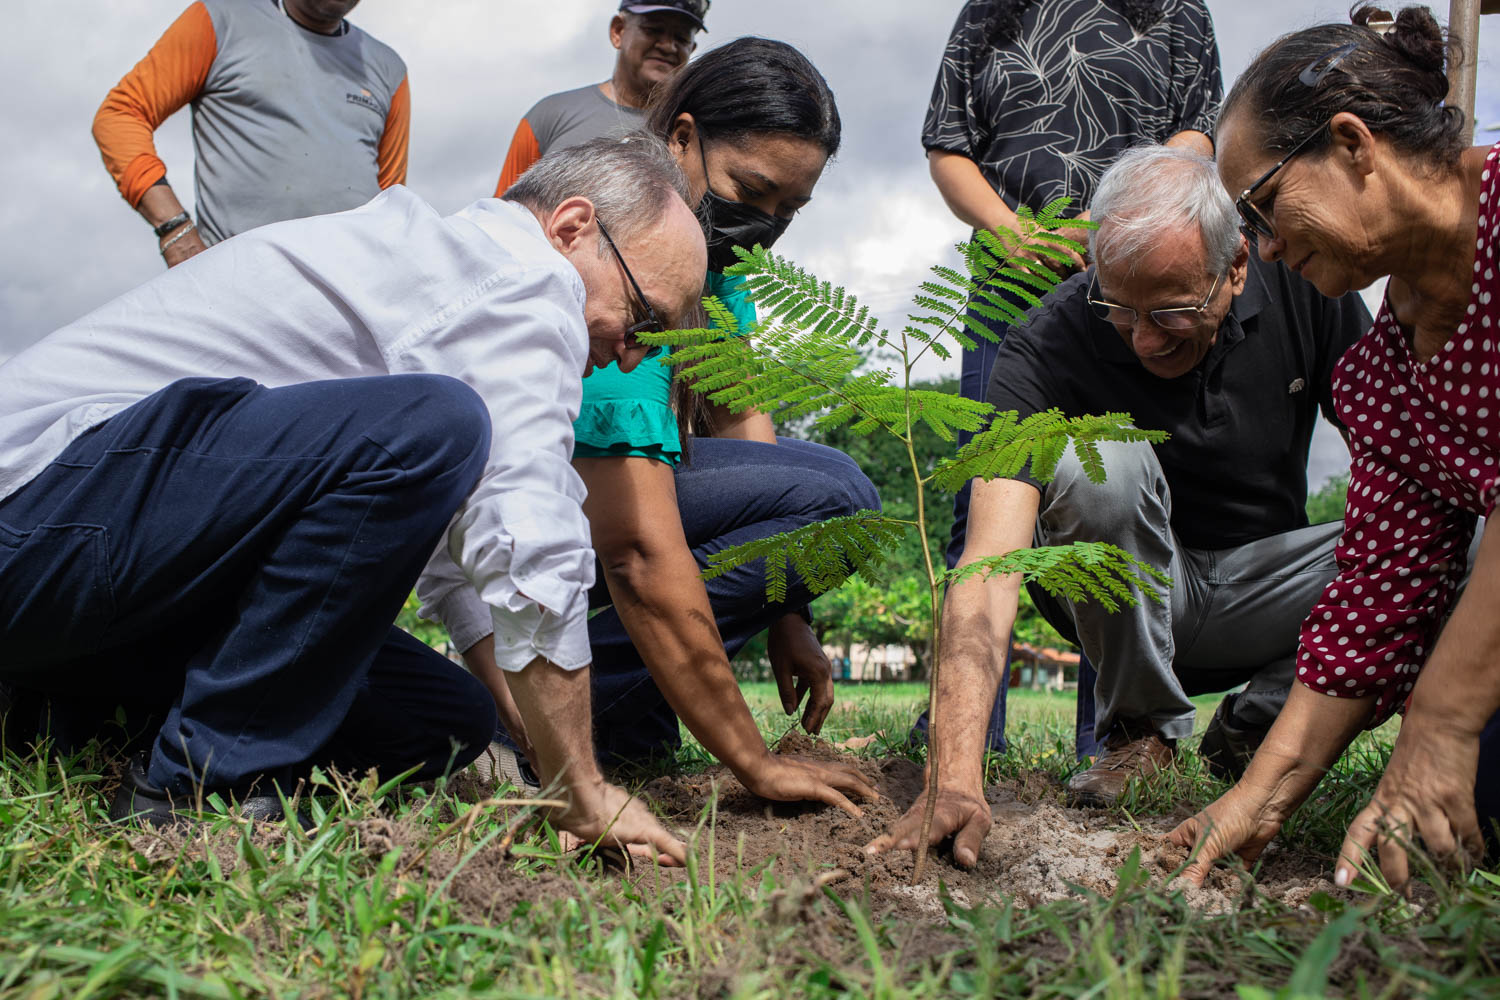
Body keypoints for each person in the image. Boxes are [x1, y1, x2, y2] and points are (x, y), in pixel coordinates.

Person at [0, 136, 701, 864]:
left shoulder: (431, 279)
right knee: (437, 424)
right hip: (37, 516)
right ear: (571, 227)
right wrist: (579, 787)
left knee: (449, 719)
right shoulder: (518, 277)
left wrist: (522, 718)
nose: (628, 357)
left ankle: (56, 701)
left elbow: (452, 550)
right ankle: (200, 789)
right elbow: (526, 533)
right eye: (642, 318)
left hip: (92, 566)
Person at [865, 144, 1374, 864]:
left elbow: (1400, 456)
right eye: (1117, 307)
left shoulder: (1306, 289)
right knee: (1098, 467)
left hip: (1265, 591)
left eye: (1168, 312)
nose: (1140, 339)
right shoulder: (1048, 343)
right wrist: (953, 778)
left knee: (1443, 534)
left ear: (1235, 270)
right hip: (1122, 598)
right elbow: (989, 563)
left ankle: (1258, 724)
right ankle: (1140, 732)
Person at [470, 38, 880, 815]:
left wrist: (786, 606)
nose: (761, 225)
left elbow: (741, 419)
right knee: (841, 499)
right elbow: (632, 549)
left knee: (826, 501)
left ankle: (638, 703)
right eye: (750, 190)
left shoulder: (721, 270)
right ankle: (549, 710)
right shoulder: (631, 254)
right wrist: (755, 762)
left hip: (608, 502)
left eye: (787, 211)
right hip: (536, 508)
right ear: (682, 139)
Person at [1172, 4, 1500, 893]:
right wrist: (1259, 796)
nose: (1267, 248)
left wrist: (1438, 724)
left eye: (1266, 206)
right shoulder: (1382, 378)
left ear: (1352, 145)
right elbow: (1374, 600)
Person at [916, 0, 1224, 756]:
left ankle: (1111, 740)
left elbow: (1199, 134)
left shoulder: (1179, 11)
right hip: (1008, 288)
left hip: (1134, 287)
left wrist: (1113, 228)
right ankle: (963, 733)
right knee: (983, 500)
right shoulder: (989, 12)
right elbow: (949, 146)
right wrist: (1014, 233)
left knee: (1104, 486)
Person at [92, 0, 409, 268]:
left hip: (352, 297)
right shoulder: (222, 20)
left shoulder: (388, 69)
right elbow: (121, 115)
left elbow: (391, 202)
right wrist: (176, 231)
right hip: (240, 290)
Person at [493, 1, 708, 197]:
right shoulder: (549, 116)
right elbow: (498, 221)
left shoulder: (695, 137)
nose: (668, 46)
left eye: (681, 38)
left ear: (692, 49)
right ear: (618, 31)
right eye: (653, 30)